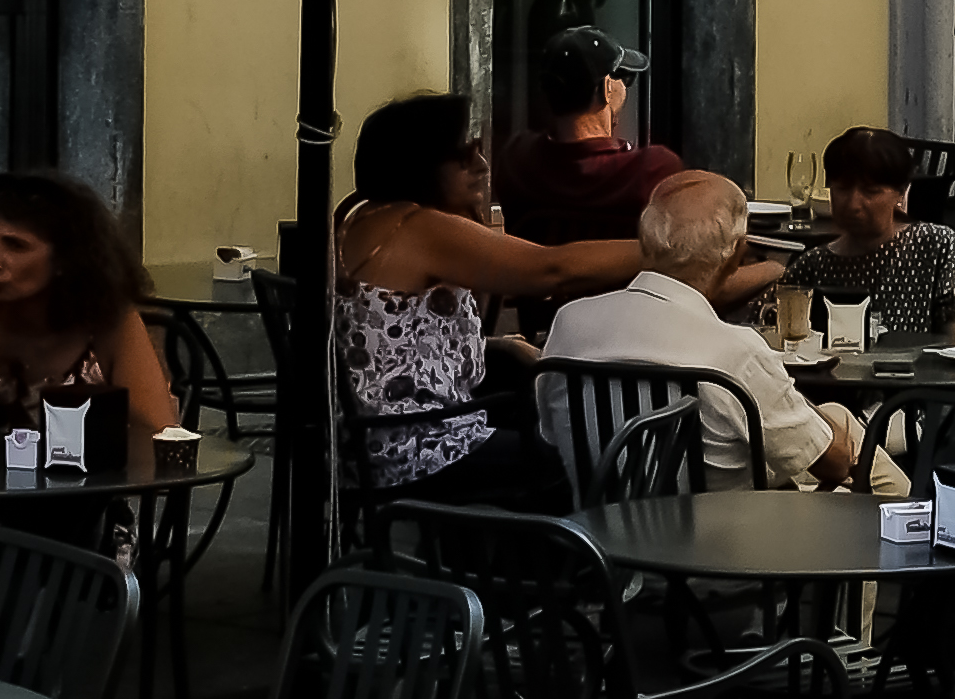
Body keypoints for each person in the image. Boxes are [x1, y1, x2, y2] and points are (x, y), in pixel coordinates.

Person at [333, 91, 645, 510]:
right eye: (465, 155)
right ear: (421, 163)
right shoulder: (419, 228)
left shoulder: (364, 217)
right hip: (415, 449)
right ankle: (565, 567)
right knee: (585, 455)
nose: (481, 166)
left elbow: (395, 342)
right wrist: (667, 247)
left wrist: (497, 345)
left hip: (369, 443)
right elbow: (550, 269)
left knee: (534, 393)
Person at [547, 169, 849, 485]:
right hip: (726, 530)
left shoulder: (570, 322)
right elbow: (835, 465)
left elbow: (553, 437)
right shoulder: (736, 352)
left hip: (596, 528)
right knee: (859, 463)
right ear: (738, 254)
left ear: (645, 243)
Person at [0, 170, 185, 431]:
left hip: (89, 480)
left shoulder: (106, 323)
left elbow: (158, 433)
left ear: (64, 258)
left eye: (16, 246)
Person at [791, 126, 955, 347]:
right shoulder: (813, 265)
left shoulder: (937, 247)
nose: (854, 204)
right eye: (843, 189)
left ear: (901, 192)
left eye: (871, 191)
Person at [489, 30, 685, 248]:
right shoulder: (653, 169)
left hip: (536, 282)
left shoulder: (516, 160)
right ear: (607, 88)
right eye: (625, 78)